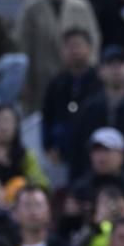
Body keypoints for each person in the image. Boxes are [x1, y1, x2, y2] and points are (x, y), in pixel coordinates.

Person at [68, 45, 124, 186]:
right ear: (100, 71)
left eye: (121, 64)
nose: (116, 70)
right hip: (93, 185)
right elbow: (77, 150)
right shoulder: (89, 109)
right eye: (111, 64)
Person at [15, 0, 100, 111]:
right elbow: (22, 45)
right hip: (42, 75)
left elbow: (94, 40)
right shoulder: (31, 7)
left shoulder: (81, 5)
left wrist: (92, 72)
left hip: (77, 74)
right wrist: (23, 80)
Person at [41, 28, 103, 164]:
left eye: (78, 45)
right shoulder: (56, 82)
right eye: (69, 46)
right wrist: (48, 145)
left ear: (90, 48)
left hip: (94, 148)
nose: (74, 51)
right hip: (64, 151)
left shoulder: (100, 80)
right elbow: (47, 116)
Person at [13, 185, 82, 246]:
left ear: (49, 211)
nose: (33, 211)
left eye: (38, 205)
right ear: (15, 212)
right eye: (27, 205)